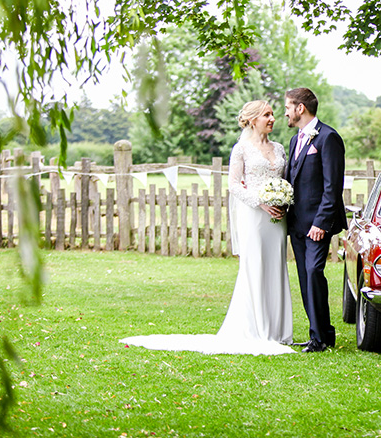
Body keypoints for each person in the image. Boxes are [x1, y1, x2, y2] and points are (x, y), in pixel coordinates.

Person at [120, 101, 295, 355]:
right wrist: (260, 202)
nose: (272, 118)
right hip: (254, 216)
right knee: (255, 266)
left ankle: (277, 330)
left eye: (272, 114)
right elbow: (234, 185)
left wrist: (282, 199)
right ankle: (257, 329)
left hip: (277, 219)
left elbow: (284, 179)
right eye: (266, 115)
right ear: (252, 120)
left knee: (276, 266)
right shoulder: (241, 148)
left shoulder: (278, 148)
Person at [284, 87, 347, 353]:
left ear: (300, 108)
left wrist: (321, 223)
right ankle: (317, 335)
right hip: (296, 222)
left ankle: (322, 336)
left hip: (318, 224)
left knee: (313, 272)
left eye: (288, 106)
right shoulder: (294, 139)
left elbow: (333, 186)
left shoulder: (328, 137)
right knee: (304, 276)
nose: (285, 112)